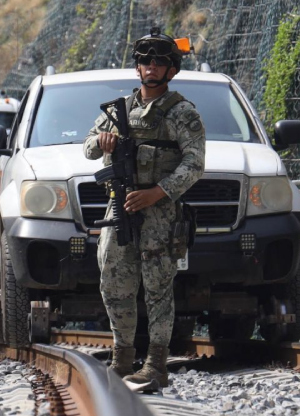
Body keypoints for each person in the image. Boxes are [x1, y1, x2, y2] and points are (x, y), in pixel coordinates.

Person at [83, 27, 205, 390]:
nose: (151, 67)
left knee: (157, 289)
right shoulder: (120, 109)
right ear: (137, 68)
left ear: (171, 70)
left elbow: (194, 164)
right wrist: (102, 140)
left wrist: (158, 193)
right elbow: (89, 148)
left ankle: (155, 365)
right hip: (119, 206)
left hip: (160, 215)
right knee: (114, 283)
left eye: (159, 62)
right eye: (145, 61)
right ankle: (122, 358)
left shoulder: (182, 113)